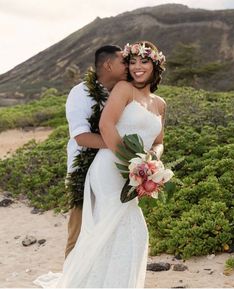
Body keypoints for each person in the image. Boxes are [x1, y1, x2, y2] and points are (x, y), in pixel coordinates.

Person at [34, 40, 166, 288]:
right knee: (85, 227)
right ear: (108, 65)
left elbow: (158, 141)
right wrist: (133, 159)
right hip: (96, 167)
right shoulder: (89, 92)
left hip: (128, 170)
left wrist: (151, 162)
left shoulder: (155, 101)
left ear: (155, 66)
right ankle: (76, 278)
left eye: (141, 61)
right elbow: (85, 134)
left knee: (122, 230)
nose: (132, 66)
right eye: (128, 61)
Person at [64, 45, 128, 259]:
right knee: (80, 228)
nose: (129, 66)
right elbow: (81, 136)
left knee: (109, 229)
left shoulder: (124, 92)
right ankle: (70, 279)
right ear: (109, 65)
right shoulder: (80, 93)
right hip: (83, 170)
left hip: (112, 169)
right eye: (123, 62)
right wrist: (123, 147)